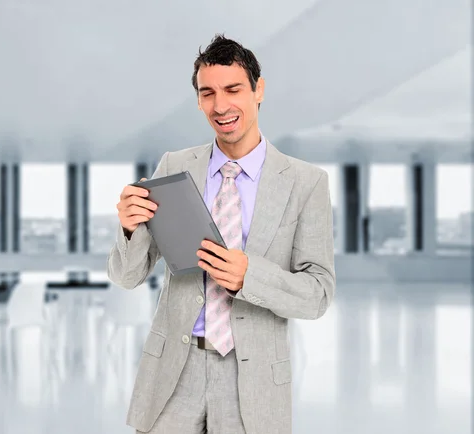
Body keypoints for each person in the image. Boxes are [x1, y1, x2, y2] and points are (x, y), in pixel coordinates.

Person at [107, 34, 335, 434]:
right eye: (207, 93)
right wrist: (129, 229)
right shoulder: (175, 167)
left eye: (233, 89)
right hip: (174, 373)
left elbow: (318, 295)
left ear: (258, 89)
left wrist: (251, 277)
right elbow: (128, 276)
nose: (221, 105)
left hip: (252, 378)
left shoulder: (305, 183)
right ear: (198, 100)